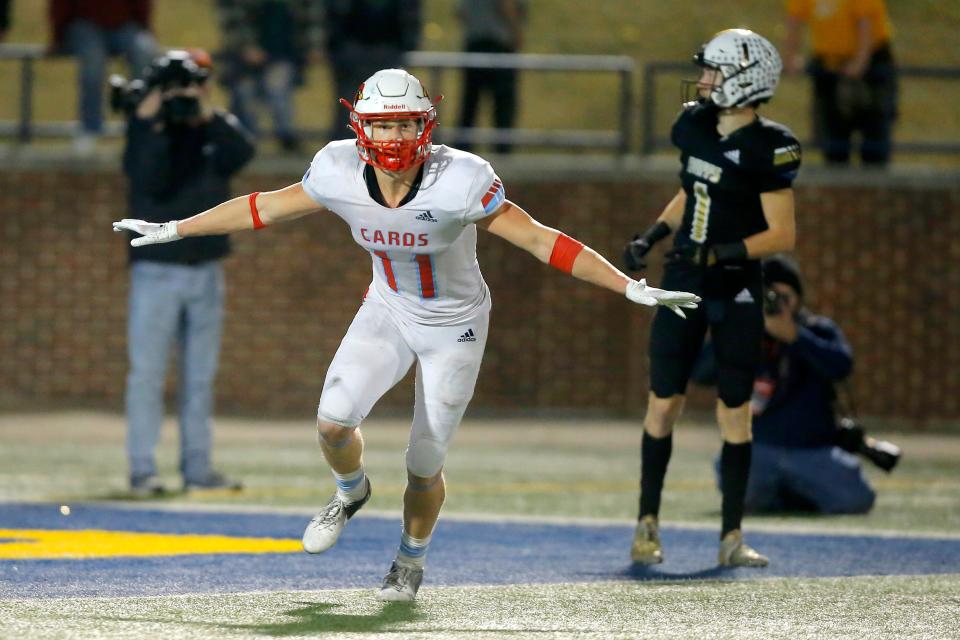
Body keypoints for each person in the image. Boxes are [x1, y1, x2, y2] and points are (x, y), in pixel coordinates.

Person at [114, 68, 700, 600]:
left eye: (403, 122)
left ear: (425, 125)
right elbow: (263, 206)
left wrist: (629, 287)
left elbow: (541, 239)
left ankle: (408, 562)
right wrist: (175, 228)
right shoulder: (337, 168)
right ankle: (350, 492)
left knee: (424, 459)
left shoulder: (462, 178)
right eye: (382, 123)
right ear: (360, 127)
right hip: (388, 309)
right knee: (332, 422)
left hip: (456, 326)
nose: (393, 136)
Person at [622, 29, 801, 568]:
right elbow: (691, 188)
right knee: (664, 402)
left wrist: (722, 252)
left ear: (744, 81)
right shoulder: (695, 125)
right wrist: (655, 233)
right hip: (683, 279)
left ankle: (730, 536)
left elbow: (782, 233)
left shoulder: (771, 146)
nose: (703, 80)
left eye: (714, 72)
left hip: (737, 285)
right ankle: (646, 523)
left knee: (736, 413)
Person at [120, 50, 255, 497]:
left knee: (199, 377)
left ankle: (197, 469)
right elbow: (144, 176)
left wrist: (205, 110)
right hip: (156, 271)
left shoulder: (210, 129)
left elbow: (243, 152)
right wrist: (149, 115)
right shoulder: (145, 130)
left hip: (206, 268)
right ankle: (143, 470)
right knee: (147, 374)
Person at [691, 255, 898, 514]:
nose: (777, 304)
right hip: (758, 449)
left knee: (856, 500)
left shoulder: (817, 329)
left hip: (812, 451)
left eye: (784, 296)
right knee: (739, 494)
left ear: (798, 298)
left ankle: (794, 493)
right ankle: (789, 495)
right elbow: (700, 374)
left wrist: (796, 338)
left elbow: (841, 366)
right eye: (769, 296)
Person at [783, 0, 897, 166]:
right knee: (833, 139)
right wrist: (790, 56)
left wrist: (860, 61)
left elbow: (866, 20)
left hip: (871, 60)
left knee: (874, 135)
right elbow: (794, 17)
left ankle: (875, 185)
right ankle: (838, 182)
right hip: (829, 62)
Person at [214, 0, 325, 152]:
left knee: (276, 87)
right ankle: (245, 141)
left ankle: (286, 137)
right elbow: (233, 18)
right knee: (246, 94)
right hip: (245, 58)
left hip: (282, 51)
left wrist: (313, 46)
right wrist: (246, 46)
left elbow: (310, 17)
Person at [48, 0, 157, 154]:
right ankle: (89, 129)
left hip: (125, 26)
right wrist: (56, 36)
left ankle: (141, 127)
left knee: (144, 51)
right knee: (93, 61)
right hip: (84, 25)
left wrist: (146, 26)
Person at [325, 0, 421, 139]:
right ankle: (352, 147)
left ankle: (375, 147)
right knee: (353, 106)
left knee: (381, 105)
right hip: (357, 49)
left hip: (381, 48)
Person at [456, 0, 527, 154]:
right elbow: (506, 5)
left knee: (470, 104)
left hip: (474, 43)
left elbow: (461, 12)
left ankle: (461, 153)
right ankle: (502, 153)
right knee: (503, 106)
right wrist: (516, 33)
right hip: (499, 43)